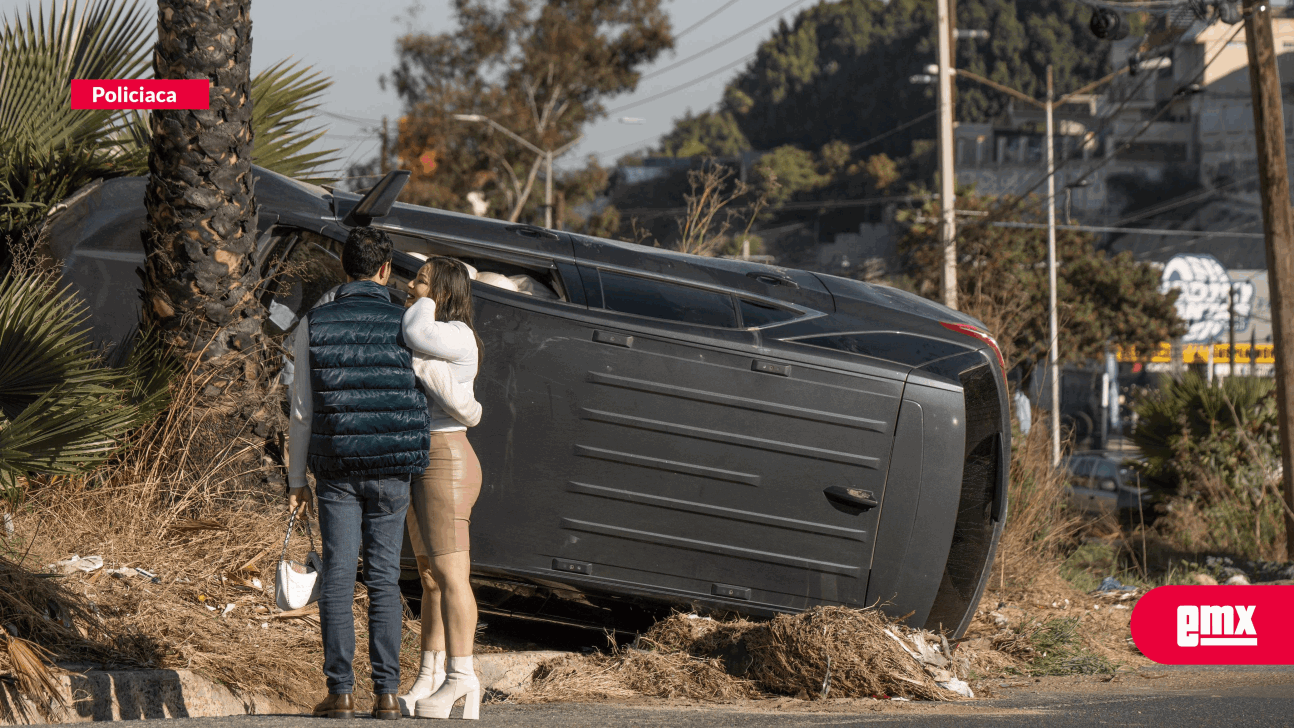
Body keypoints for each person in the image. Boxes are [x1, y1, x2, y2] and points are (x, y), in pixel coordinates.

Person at [286, 227, 430, 720]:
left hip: (337, 469)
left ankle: (341, 692)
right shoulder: (408, 321)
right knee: (386, 579)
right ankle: (387, 695)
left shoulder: (316, 321)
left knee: (340, 575)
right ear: (386, 270)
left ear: (343, 269)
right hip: (392, 467)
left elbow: (302, 408)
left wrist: (296, 479)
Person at [395, 257, 485, 721]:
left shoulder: (455, 334)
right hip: (424, 458)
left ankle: (462, 676)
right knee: (429, 579)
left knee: (451, 577)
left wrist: (423, 301)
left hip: (446, 458)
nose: (411, 286)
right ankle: (429, 675)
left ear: (444, 291)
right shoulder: (440, 331)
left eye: (421, 280)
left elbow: (414, 332)